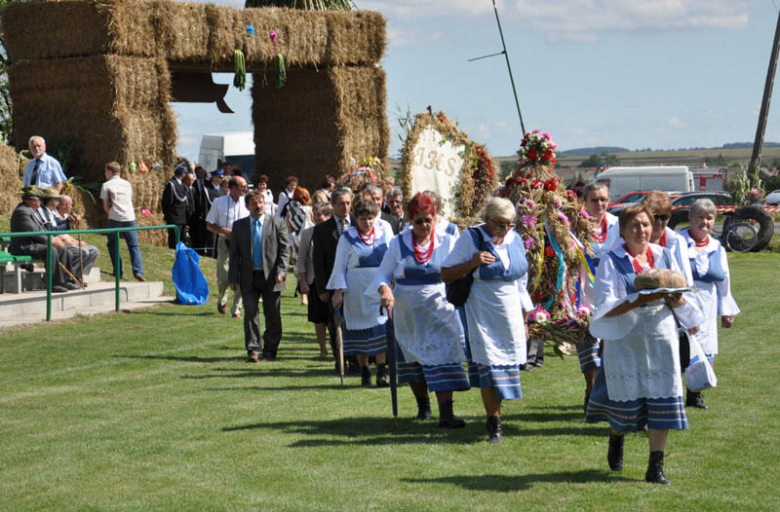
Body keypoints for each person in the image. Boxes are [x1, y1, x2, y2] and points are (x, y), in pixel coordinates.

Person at [586, 204, 702, 485]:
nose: (641, 230)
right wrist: (639, 299)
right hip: (626, 343)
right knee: (624, 408)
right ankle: (617, 437)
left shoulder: (665, 256)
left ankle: (655, 467)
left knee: (662, 404)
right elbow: (603, 307)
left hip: (662, 342)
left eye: (646, 225)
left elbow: (683, 293)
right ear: (623, 230)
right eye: (634, 225)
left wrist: (681, 304)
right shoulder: (612, 261)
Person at [369, 192, 470, 427]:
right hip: (409, 313)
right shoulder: (399, 243)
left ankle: (447, 413)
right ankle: (423, 407)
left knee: (443, 357)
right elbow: (383, 274)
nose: (424, 225)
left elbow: (459, 268)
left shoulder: (447, 240)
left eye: (429, 220)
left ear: (435, 218)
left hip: (440, 309)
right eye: (419, 221)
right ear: (410, 221)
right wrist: (385, 290)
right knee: (413, 360)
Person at [442, 197, 530, 443]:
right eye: (500, 224)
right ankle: (494, 423)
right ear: (487, 220)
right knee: (489, 367)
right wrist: (473, 262)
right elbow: (446, 273)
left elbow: (521, 282)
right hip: (481, 310)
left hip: (510, 311)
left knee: (505, 366)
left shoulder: (516, 239)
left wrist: (525, 318)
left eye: (510, 224)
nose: (505, 230)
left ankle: (497, 416)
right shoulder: (471, 238)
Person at [678, 199, 739, 409]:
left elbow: (724, 281)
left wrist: (727, 312)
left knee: (704, 349)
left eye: (709, 218)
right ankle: (673, 397)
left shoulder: (717, 247)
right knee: (681, 348)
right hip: (682, 303)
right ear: (690, 218)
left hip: (708, 305)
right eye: (700, 217)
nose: (704, 222)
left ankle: (695, 394)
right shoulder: (678, 243)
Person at [327, 199, 393, 387]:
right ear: (357, 218)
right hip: (356, 289)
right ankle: (364, 371)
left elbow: (391, 260)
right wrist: (338, 292)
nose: (368, 223)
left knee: (380, 326)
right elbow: (339, 267)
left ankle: (381, 371)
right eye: (363, 219)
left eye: (371, 218)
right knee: (360, 329)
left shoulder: (383, 233)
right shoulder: (347, 237)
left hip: (378, 287)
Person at [229, 190, 290, 362]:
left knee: (272, 316)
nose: (259, 206)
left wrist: (281, 271)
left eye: (261, 202)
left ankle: (270, 350)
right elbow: (234, 255)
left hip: (271, 277)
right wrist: (233, 278)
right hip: (249, 277)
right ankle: (254, 350)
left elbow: (285, 251)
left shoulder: (277, 223)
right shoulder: (239, 226)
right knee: (250, 314)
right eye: (254, 203)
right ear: (247, 206)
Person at [577, 183, 622, 410]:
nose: (600, 204)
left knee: (609, 346)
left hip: (610, 294)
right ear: (584, 201)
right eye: (594, 200)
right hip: (583, 294)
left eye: (603, 199)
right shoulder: (575, 225)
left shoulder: (617, 224)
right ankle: (591, 390)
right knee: (587, 345)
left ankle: (605, 393)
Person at [312, 188, 359, 375]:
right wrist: (323, 287)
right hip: (333, 285)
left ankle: (357, 361)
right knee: (336, 322)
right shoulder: (322, 229)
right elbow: (318, 260)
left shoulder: (358, 224)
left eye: (348, 203)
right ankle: (340, 359)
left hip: (357, 283)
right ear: (333, 205)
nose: (346, 207)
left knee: (355, 322)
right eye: (341, 203)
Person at [9, 186, 78, 293]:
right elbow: (34, 232)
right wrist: (51, 240)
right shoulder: (22, 212)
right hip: (23, 246)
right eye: (39, 199)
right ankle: (54, 284)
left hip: (33, 244)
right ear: (32, 200)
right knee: (51, 250)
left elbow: (40, 229)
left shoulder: (30, 210)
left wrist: (54, 239)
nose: (41, 202)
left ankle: (66, 280)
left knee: (64, 250)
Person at [206, 176, 249, 318]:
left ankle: (236, 309)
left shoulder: (248, 202)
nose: (246, 188)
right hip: (224, 242)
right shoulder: (219, 202)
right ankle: (222, 299)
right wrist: (222, 231)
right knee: (225, 276)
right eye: (243, 186)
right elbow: (209, 224)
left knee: (242, 276)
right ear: (234, 188)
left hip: (243, 242)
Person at [296, 202, 334, 360]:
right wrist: (303, 281)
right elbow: (301, 259)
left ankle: (337, 350)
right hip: (313, 282)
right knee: (319, 320)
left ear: (329, 216)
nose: (317, 218)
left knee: (333, 320)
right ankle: (323, 351)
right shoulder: (307, 234)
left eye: (321, 215)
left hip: (332, 282)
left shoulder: (335, 232)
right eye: (315, 215)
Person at [100, 162, 145, 281]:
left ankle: (118, 270)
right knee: (134, 245)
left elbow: (105, 206)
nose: (105, 174)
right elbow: (129, 199)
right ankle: (138, 271)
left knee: (112, 244)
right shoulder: (127, 184)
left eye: (105, 171)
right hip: (129, 217)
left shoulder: (106, 185)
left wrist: (110, 213)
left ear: (110, 172)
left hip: (115, 217)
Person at [40, 190, 98, 280]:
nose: (72, 207)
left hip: (62, 242)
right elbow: (55, 233)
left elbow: (65, 234)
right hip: (54, 243)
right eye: (57, 199)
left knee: (94, 250)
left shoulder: (53, 213)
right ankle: (70, 278)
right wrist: (76, 243)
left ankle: (77, 276)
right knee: (83, 252)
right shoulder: (45, 212)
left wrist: (77, 241)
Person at [161, 162, 190, 249]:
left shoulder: (183, 185)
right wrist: (168, 215)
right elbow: (165, 202)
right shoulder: (171, 184)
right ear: (182, 173)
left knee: (182, 241)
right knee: (174, 241)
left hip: (182, 218)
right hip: (174, 218)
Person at [200, 169, 226, 258]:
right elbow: (205, 205)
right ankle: (211, 257)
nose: (221, 179)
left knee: (220, 239)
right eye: (219, 177)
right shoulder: (207, 189)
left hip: (221, 218)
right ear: (214, 178)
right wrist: (207, 219)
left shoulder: (223, 190)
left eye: (222, 177)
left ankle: (219, 256)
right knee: (212, 239)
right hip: (212, 219)